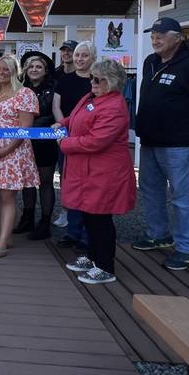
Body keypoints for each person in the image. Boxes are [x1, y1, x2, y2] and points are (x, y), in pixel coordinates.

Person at [132, 17, 189, 271]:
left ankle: (187, 249)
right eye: (153, 35)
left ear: (177, 37)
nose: (155, 39)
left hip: (179, 145)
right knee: (151, 192)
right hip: (150, 141)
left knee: (182, 198)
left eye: (161, 34)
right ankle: (159, 235)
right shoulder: (151, 62)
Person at [58, 59, 136, 284]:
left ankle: (105, 266)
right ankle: (93, 257)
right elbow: (75, 118)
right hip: (89, 170)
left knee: (101, 218)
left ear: (110, 82)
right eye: (92, 77)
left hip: (105, 172)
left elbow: (96, 141)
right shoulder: (94, 97)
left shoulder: (114, 106)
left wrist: (65, 143)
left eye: (97, 79)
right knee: (90, 215)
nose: (91, 82)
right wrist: (62, 123)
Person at [0, 55, 39, 260]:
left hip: (14, 151)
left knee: (7, 197)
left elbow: (25, 128)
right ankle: (6, 235)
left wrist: (6, 150)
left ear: (14, 71)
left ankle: (1, 243)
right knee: (1, 195)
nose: (1, 72)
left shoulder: (25, 94)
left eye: (6, 69)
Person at [53, 41, 96, 251]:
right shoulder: (64, 80)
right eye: (77, 55)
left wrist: (79, 130)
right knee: (70, 185)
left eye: (84, 55)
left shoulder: (97, 82)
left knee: (89, 188)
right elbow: (57, 107)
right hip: (67, 139)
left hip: (88, 141)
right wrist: (65, 130)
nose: (79, 59)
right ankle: (73, 231)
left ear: (92, 58)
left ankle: (88, 236)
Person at [17, 52, 58, 240]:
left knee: (45, 181)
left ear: (45, 70)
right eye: (31, 66)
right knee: (27, 181)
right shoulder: (20, 88)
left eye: (38, 67)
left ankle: (45, 221)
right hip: (24, 142)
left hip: (45, 142)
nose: (34, 70)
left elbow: (53, 114)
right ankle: (27, 217)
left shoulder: (53, 89)